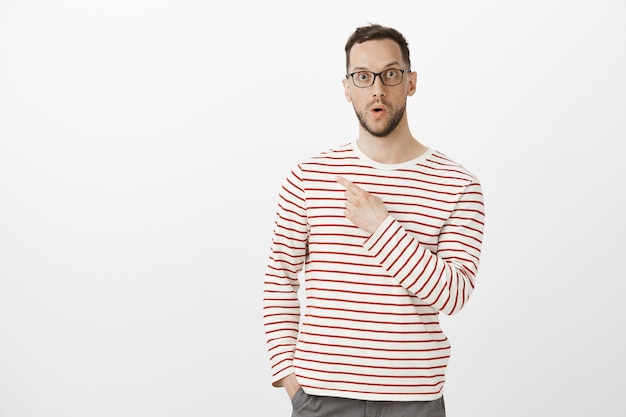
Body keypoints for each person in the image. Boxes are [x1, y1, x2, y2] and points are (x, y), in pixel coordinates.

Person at [263, 23, 485, 417]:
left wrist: (382, 227)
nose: (377, 89)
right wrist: (289, 378)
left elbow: (454, 296)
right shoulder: (309, 177)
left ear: (411, 82)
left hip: (414, 402)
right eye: (363, 77)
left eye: (391, 74)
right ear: (347, 87)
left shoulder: (459, 185)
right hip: (320, 399)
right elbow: (280, 277)